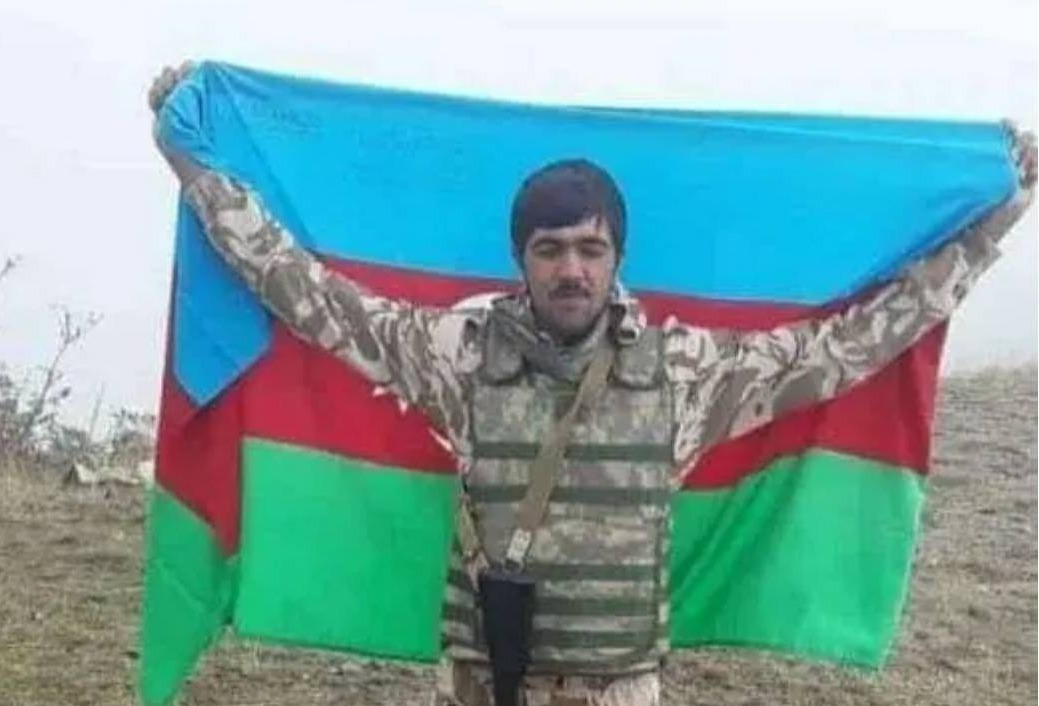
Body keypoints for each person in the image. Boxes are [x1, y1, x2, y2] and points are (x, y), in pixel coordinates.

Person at [149, 64, 1036, 706]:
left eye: (589, 248)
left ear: (616, 258)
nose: (570, 269)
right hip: (486, 686)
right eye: (549, 249)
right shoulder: (458, 353)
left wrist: (994, 219)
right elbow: (308, 296)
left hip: (619, 689)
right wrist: (195, 165)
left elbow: (848, 347)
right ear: (520, 258)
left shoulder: (683, 371)